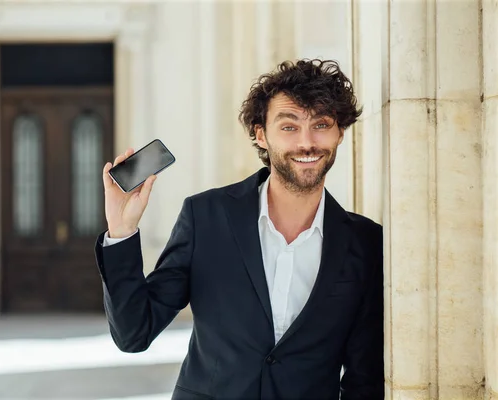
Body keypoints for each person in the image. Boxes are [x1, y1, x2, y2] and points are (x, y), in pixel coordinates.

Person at [95, 59, 384, 399]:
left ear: (340, 133)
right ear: (261, 135)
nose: (307, 142)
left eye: (321, 124)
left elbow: (365, 377)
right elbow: (134, 334)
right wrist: (121, 231)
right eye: (289, 127)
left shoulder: (366, 241)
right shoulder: (206, 217)